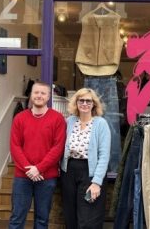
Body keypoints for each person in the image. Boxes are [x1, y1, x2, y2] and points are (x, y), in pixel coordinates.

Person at [9, 81, 67, 229]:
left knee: (42, 219)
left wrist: (39, 168)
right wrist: (30, 169)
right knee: (17, 218)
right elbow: (15, 146)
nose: (39, 96)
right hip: (23, 177)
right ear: (31, 95)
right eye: (36, 92)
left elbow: (58, 148)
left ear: (49, 96)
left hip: (47, 177)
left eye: (43, 93)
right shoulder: (20, 118)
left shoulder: (58, 119)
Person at [60, 87, 111, 228]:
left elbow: (104, 155)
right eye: (81, 100)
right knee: (70, 215)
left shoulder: (101, 124)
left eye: (88, 101)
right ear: (76, 103)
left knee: (88, 218)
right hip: (68, 171)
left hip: (90, 173)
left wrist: (96, 182)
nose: (84, 103)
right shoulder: (69, 121)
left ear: (94, 104)